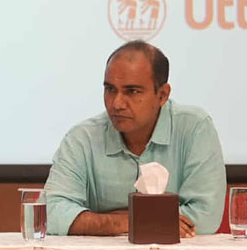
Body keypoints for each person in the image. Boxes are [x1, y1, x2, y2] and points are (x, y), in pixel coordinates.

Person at [45, 41, 225, 237]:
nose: (117, 103)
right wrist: (131, 221)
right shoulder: (82, 138)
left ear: (162, 95)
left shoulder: (195, 128)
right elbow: (52, 214)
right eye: (110, 89)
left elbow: (205, 217)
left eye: (132, 91)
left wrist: (98, 219)